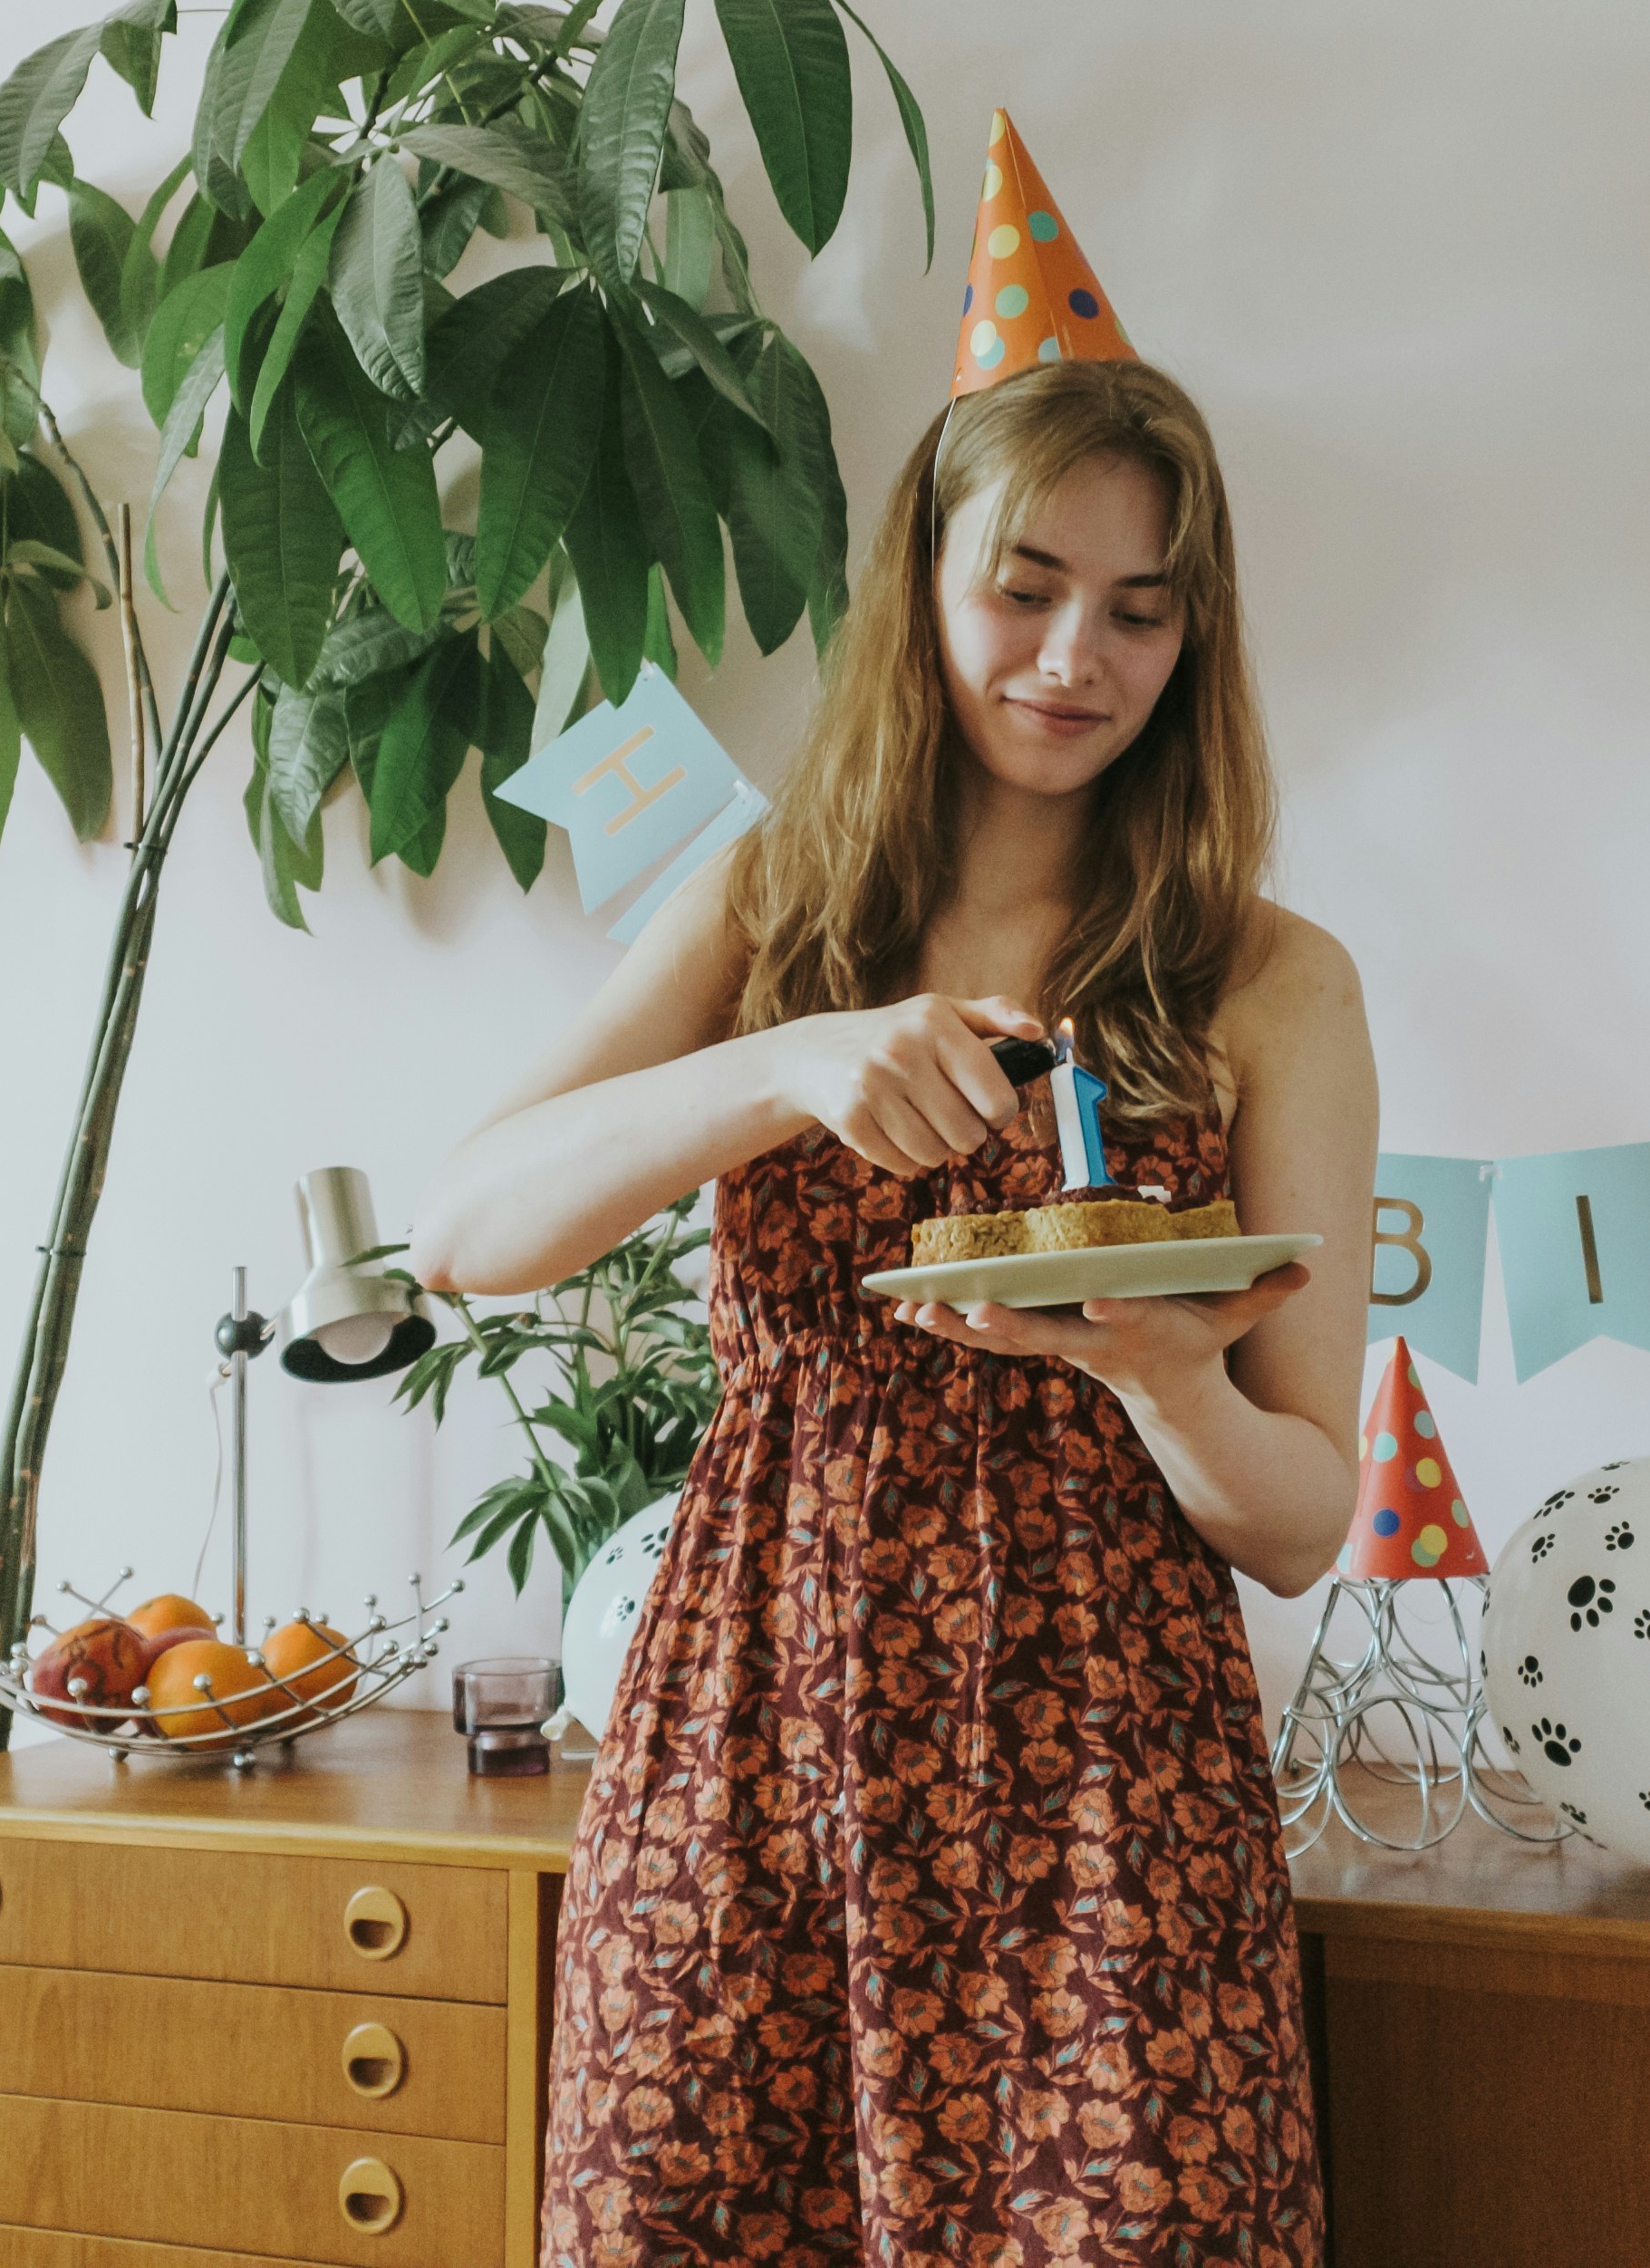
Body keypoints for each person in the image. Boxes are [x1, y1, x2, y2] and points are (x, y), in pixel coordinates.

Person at [410, 119, 1374, 2267]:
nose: (1070, 658)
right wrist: (777, 1065)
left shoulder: (1269, 985)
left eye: (1136, 610)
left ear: (1190, 642)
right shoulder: (770, 906)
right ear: (925, 582)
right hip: (754, 1714)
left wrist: (1162, 1379)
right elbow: (468, 1233)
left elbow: (1307, 1523)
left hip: (1105, 1760)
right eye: (1022, 588)